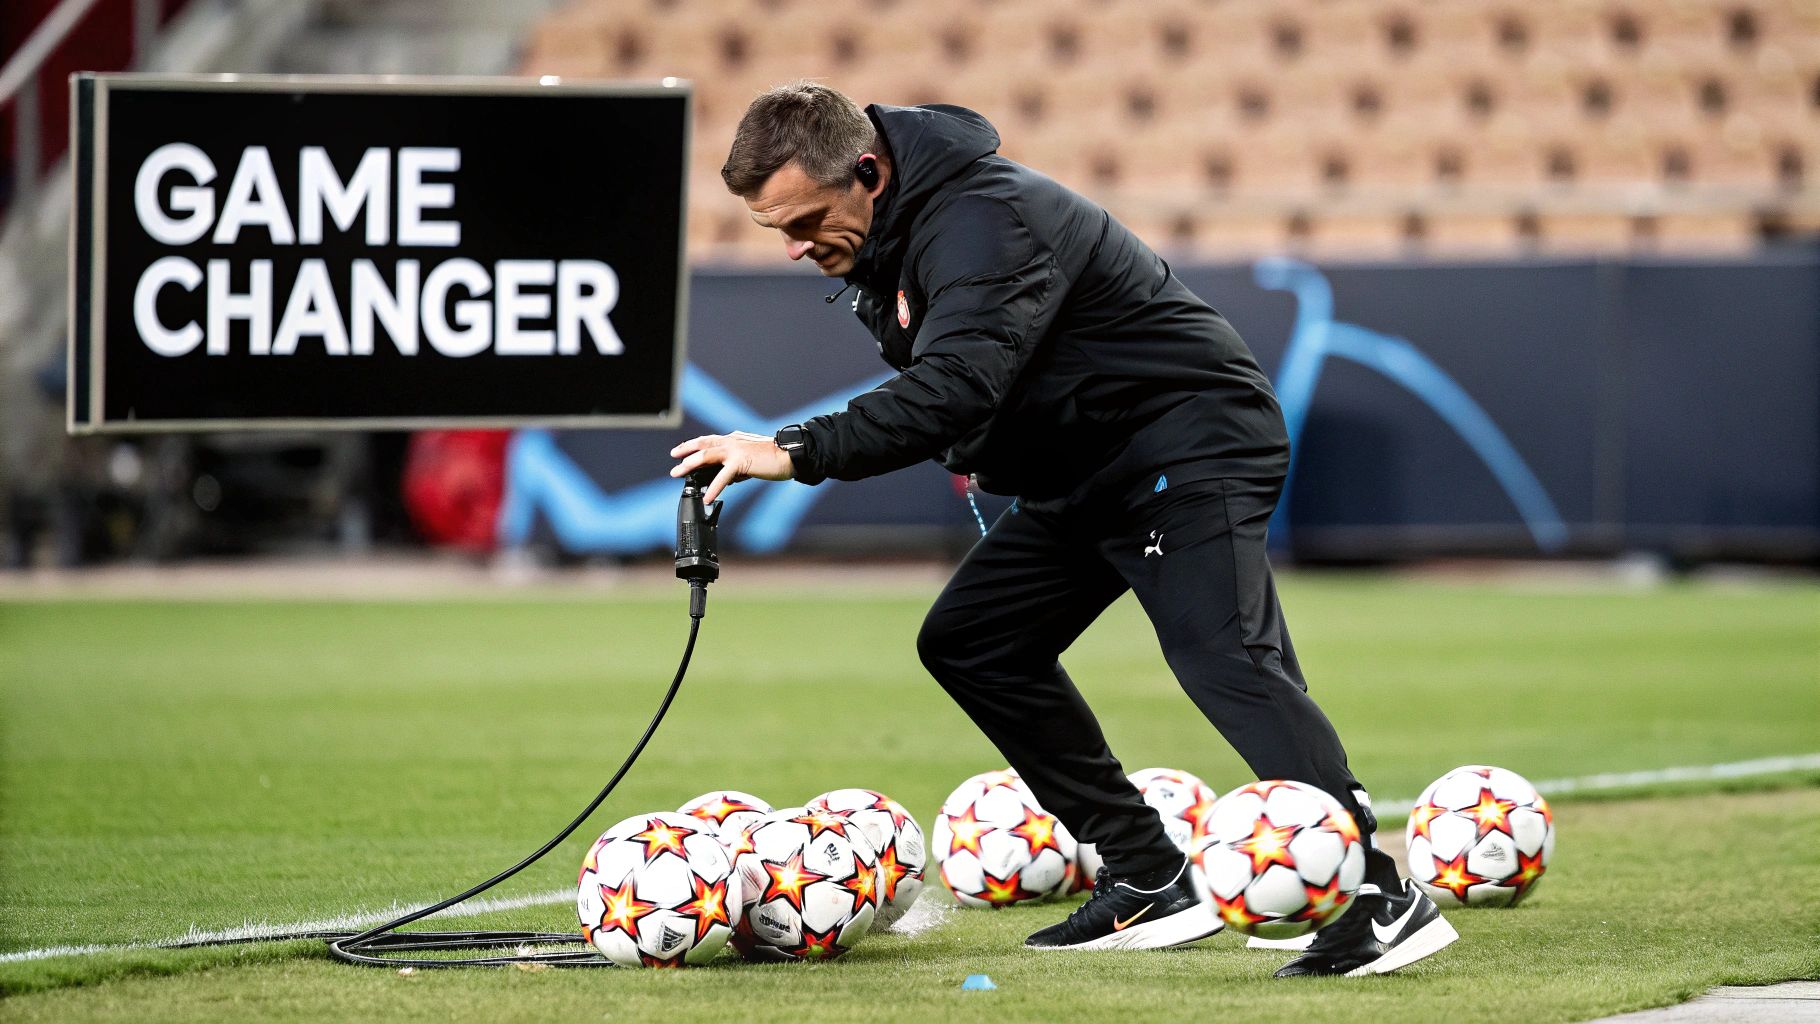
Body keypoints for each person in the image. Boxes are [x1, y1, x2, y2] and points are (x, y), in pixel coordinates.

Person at [667, 82, 1457, 975]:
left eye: (806, 220)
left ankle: (1377, 894)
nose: (794, 247)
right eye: (778, 229)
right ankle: (1151, 872)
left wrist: (793, 450)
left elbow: (958, 384)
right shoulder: (890, 235)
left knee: (1222, 654)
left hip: (1187, 440)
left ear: (869, 169)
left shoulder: (981, 217)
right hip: (1090, 467)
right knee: (974, 641)